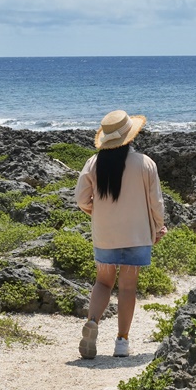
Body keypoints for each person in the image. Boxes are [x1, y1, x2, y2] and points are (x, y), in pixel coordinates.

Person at [74, 109, 167, 359]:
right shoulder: (145, 163)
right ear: (131, 136)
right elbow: (155, 202)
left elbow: (81, 199)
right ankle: (122, 342)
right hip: (137, 234)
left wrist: (99, 212)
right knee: (128, 288)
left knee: (103, 282)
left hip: (106, 233)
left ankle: (92, 322)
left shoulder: (94, 163)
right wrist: (159, 226)